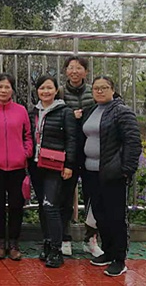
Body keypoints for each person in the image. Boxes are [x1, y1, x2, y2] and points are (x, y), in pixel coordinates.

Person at [80, 76, 141, 277]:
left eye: (104, 87)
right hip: (91, 172)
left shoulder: (121, 111)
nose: (99, 91)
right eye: (96, 88)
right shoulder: (91, 110)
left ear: (113, 90)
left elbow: (133, 141)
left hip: (112, 173)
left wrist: (126, 170)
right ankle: (107, 251)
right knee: (100, 215)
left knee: (116, 217)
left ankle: (119, 259)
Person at [0, 73, 33, 261]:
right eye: (0, 86)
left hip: (18, 166)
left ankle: (14, 243)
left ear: (12, 90)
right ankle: (0, 242)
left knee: (17, 205)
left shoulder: (21, 111)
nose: (3, 90)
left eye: (7, 87)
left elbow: (28, 135)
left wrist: (26, 152)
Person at [28, 75, 77, 268]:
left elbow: (72, 139)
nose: (45, 91)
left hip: (55, 166)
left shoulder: (65, 112)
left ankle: (57, 249)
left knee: (51, 205)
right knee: (42, 205)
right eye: (42, 88)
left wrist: (69, 165)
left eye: (49, 88)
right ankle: (47, 242)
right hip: (36, 165)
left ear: (56, 90)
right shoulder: (33, 112)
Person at [60, 56, 102, 257]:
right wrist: (70, 115)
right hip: (67, 151)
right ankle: (64, 238)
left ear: (86, 72)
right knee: (64, 196)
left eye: (79, 68)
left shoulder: (94, 92)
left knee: (93, 196)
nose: (74, 71)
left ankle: (90, 239)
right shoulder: (59, 92)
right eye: (71, 68)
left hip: (90, 151)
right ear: (66, 71)